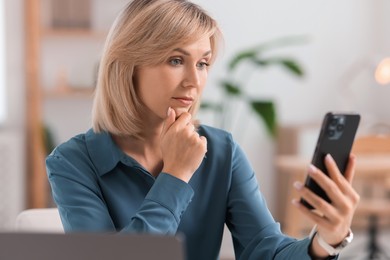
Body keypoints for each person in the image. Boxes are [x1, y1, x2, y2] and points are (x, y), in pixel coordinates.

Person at [46, 0, 360, 259]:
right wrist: (176, 175)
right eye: (175, 59)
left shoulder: (222, 151)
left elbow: (265, 249)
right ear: (128, 65)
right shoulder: (73, 162)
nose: (194, 81)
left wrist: (326, 241)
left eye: (202, 63)